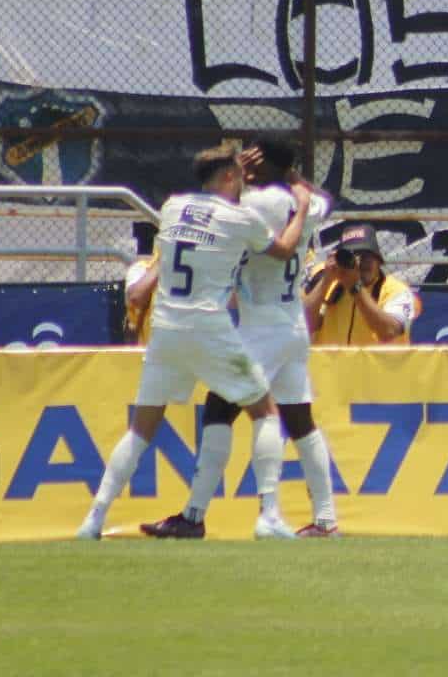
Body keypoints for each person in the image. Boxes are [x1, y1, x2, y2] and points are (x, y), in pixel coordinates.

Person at [76, 146, 314, 541]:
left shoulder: (172, 206)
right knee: (266, 412)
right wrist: (302, 206)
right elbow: (285, 250)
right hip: (209, 330)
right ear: (226, 179)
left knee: (140, 430)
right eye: (239, 176)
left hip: (166, 331)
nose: (243, 183)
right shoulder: (240, 219)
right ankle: (269, 514)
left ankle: (94, 518)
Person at [140, 139, 338, 540]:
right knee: (300, 421)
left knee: (218, 411)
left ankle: (195, 516)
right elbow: (323, 201)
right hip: (292, 325)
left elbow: (221, 206)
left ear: (260, 166)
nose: (243, 165)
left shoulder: (258, 202)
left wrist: (239, 177)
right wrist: (294, 180)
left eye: (250, 159)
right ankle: (326, 520)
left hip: (259, 325)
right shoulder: (301, 201)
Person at [305, 225, 418, 345]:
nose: (360, 263)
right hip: (332, 364)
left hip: (377, 364)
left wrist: (356, 287)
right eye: (354, 257)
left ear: (378, 260)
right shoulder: (330, 286)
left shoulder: (397, 291)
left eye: (367, 257)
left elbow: (388, 332)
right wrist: (326, 280)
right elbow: (304, 325)